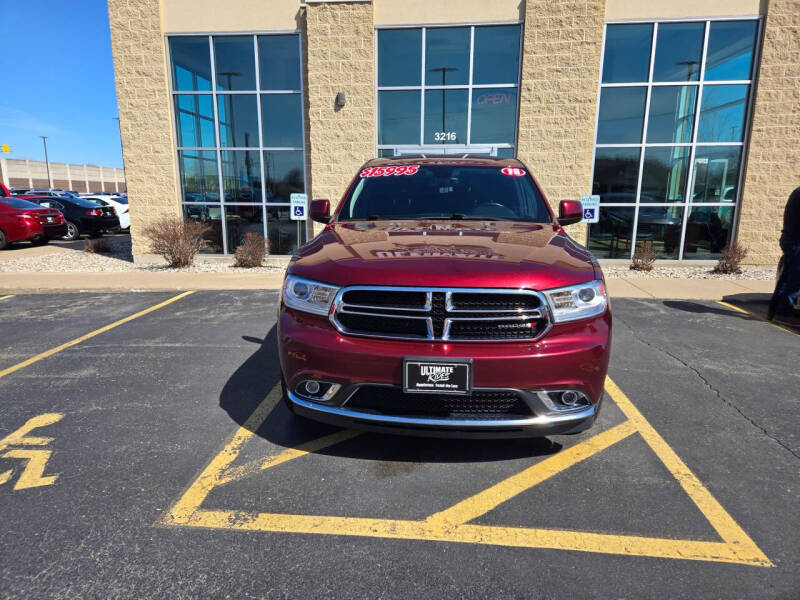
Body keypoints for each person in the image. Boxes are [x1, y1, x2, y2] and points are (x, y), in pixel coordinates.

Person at [770, 185, 800, 326]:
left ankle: (775, 311)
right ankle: (783, 313)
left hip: (790, 238)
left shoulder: (797, 192)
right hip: (796, 242)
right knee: (795, 280)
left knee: (786, 278)